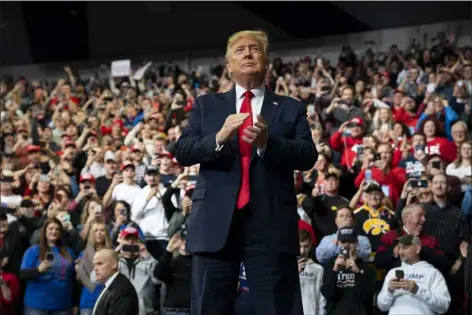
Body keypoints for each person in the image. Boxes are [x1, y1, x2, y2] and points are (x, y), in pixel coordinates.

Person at [174, 29, 317, 315]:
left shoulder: (291, 107)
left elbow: (307, 156)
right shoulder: (206, 105)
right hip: (215, 223)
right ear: (229, 66)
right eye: (240, 51)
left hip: (270, 224)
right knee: (209, 307)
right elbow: (183, 150)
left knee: (277, 307)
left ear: (267, 61)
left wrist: (268, 143)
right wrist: (219, 136)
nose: (248, 54)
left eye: (254, 49)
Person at [377, 235, 451, 315]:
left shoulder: (432, 273)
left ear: (417, 249)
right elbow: (382, 307)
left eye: (405, 248)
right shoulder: (392, 272)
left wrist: (418, 291)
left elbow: (444, 306)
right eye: (399, 248)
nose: (400, 252)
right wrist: (389, 291)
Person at [91, 248, 139, 315]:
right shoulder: (111, 285)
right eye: (94, 265)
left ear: (114, 264)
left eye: (100, 263)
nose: (95, 269)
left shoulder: (121, 290)